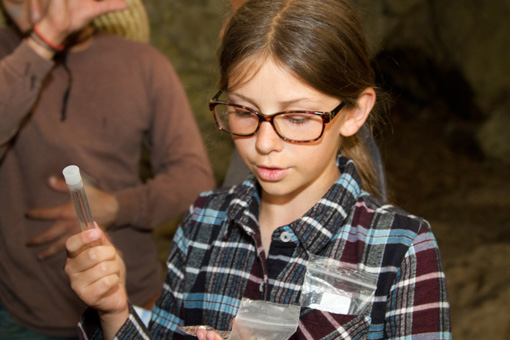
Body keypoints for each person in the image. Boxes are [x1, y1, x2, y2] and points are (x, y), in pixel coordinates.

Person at [65, 0, 452, 339]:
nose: (265, 143)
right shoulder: (204, 222)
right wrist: (114, 310)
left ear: (354, 113)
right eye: (245, 112)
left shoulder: (400, 248)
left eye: (298, 117)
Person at [0, 0, 215, 339]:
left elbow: (194, 177)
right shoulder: (8, 63)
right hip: (25, 311)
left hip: (133, 301)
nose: (37, 6)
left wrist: (117, 205)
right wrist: (44, 40)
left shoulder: (143, 64)